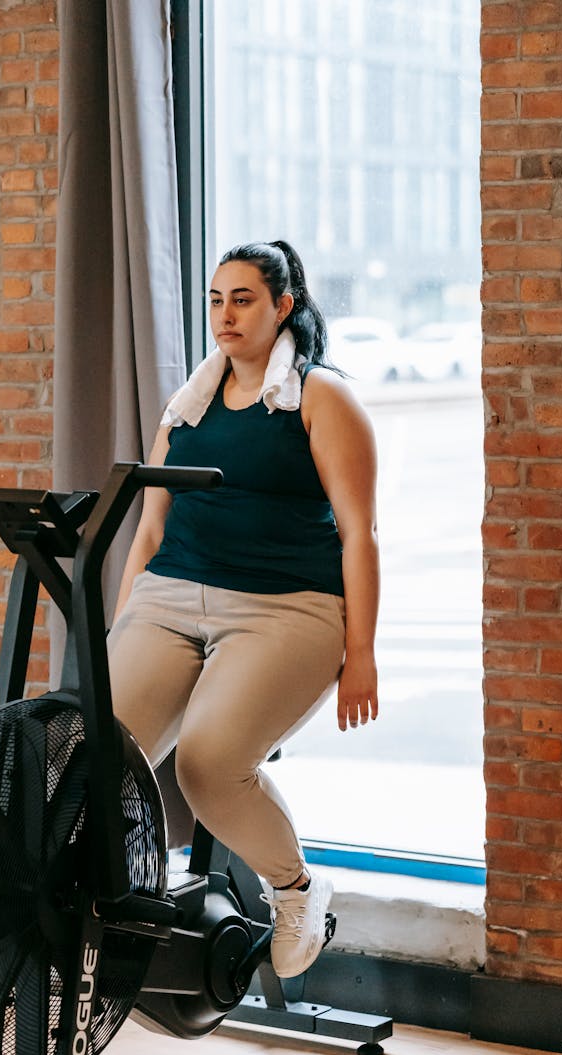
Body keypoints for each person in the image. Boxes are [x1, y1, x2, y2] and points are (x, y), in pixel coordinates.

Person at [108, 240, 379, 978]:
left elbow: (359, 532)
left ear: (283, 306)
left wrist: (364, 653)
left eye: (245, 299)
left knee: (209, 762)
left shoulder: (323, 399)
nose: (226, 315)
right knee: (93, 753)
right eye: (216, 300)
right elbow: (152, 528)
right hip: (171, 596)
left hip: (287, 608)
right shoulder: (188, 406)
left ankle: (296, 888)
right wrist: (123, 623)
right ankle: (117, 907)